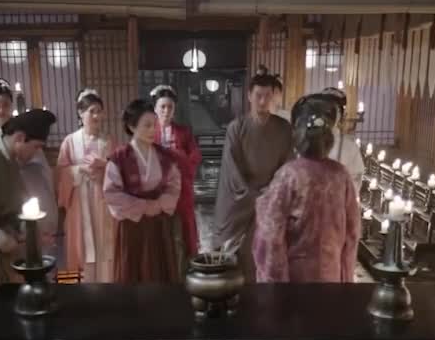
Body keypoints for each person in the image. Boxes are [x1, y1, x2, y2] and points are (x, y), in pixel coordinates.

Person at [252, 94, 361, 283]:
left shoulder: (289, 176)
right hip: (332, 277)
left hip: (295, 283)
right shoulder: (341, 175)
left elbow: (269, 237)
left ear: (297, 133)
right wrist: (346, 279)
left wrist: (275, 284)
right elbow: (352, 234)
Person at [214, 65, 295, 281]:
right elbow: (231, 168)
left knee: (266, 251)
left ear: (274, 97)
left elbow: (288, 164)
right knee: (238, 253)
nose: (262, 101)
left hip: (272, 195)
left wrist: (272, 190)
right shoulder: (236, 127)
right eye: (258, 95)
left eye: (267, 96)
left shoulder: (284, 128)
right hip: (242, 199)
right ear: (249, 96)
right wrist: (252, 194)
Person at [0, 108, 57, 284]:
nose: (36, 153)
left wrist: (28, 232)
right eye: (36, 147)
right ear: (20, 138)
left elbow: (15, 204)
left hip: (6, 246)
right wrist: (1, 238)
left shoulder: (9, 160)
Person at [104, 99, 185, 283]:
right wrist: (143, 206)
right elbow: (111, 193)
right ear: (132, 127)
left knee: (160, 272)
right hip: (132, 226)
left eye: (154, 125)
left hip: (159, 223)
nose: (152, 130)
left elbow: (174, 184)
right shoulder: (119, 158)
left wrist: (159, 204)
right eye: (147, 125)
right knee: (133, 273)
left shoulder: (164, 156)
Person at [57, 88, 116, 282]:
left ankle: (107, 289)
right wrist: (80, 170)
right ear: (80, 113)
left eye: (99, 111)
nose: (96, 116)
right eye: (91, 111)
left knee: (104, 245)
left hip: (102, 201)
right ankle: (79, 291)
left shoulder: (108, 141)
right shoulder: (69, 141)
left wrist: (105, 166)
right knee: (80, 245)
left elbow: (118, 171)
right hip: (79, 201)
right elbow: (62, 172)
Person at [150, 84, 203, 257]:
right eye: (162, 107)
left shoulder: (184, 132)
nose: (166, 111)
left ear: (174, 109)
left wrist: (179, 158)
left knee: (183, 226)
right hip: (155, 188)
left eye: (170, 107)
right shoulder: (148, 132)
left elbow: (195, 156)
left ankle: (185, 262)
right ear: (155, 108)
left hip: (180, 187)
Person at [320, 86, 366, 193]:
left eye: (334, 111)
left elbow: (356, 180)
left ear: (341, 116)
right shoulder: (306, 141)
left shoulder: (350, 147)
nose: (329, 115)